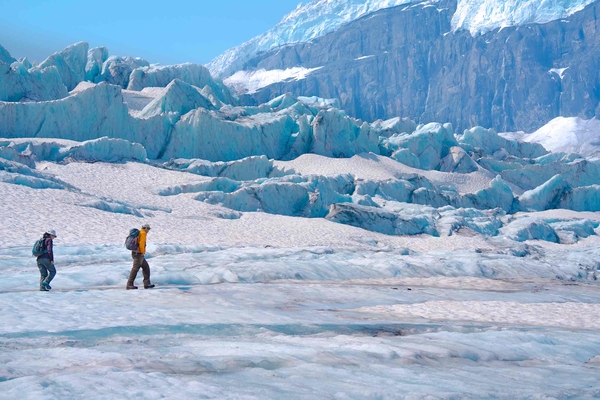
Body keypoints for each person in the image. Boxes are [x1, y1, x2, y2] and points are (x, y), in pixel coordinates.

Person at [126, 224, 155, 290]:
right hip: (138, 254)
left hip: (136, 253)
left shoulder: (140, 232)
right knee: (135, 269)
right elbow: (142, 244)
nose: (148, 230)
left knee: (146, 268)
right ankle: (129, 284)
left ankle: (147, 283)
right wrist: (142, 252)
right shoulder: (143, 233)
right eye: (148, 229)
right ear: (146, 228)